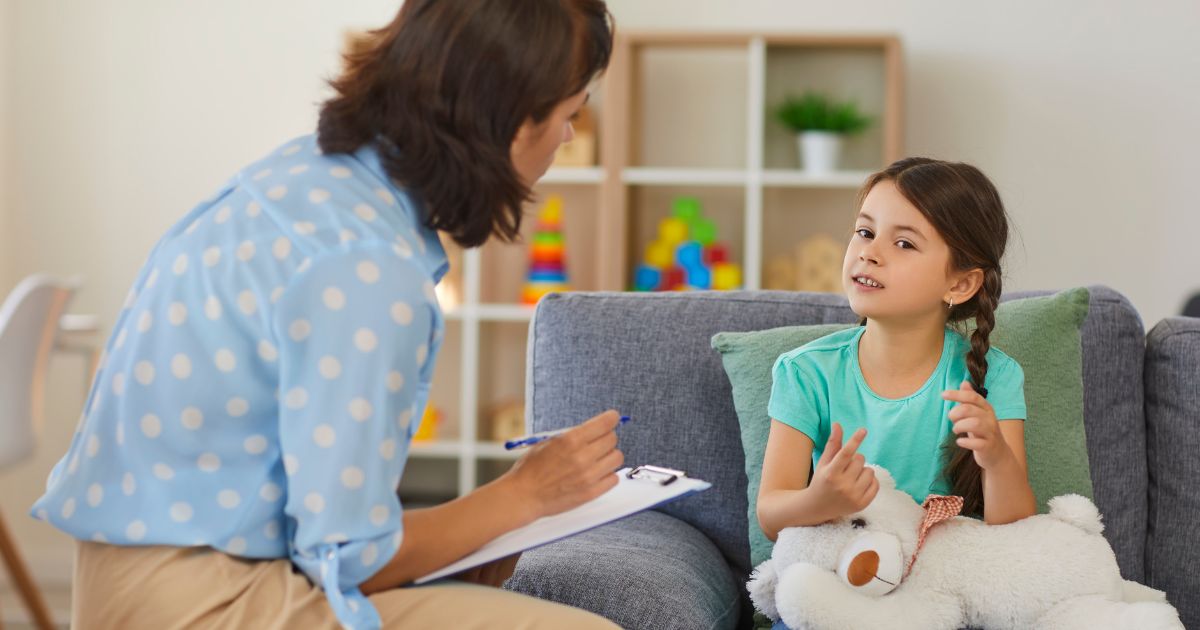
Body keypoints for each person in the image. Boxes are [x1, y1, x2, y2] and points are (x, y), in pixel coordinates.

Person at [31, 1, 623, 628]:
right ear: (509, 121)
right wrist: (523, 495)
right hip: (200, 600)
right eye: (569, 114)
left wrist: (487, 523)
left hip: (141, 578)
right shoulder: (367, 265)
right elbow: (351, 559)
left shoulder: (308, 180)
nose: (567, 137)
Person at [757, 157, 1038, 551]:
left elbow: (1015, 528)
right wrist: (818, 500)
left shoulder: (996, 377)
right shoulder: (805, 372)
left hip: (942, 581)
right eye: (865, 231)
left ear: (960, 284)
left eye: (903, 243)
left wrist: (996, 457)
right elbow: (770, 516)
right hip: (840, 574)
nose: (869, 253)